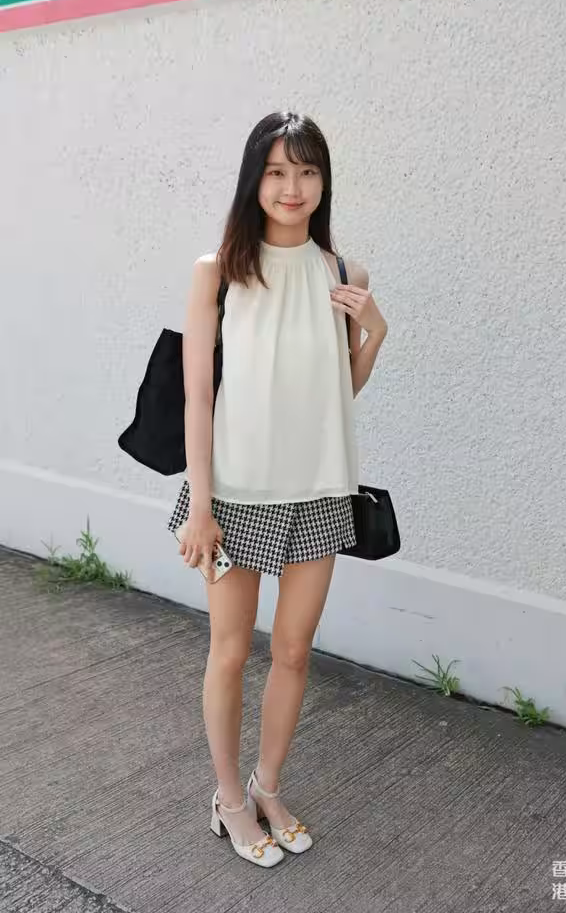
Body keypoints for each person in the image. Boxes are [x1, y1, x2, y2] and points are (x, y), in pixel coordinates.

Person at [167, 111, 388, 868]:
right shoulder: (219, 270)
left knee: (293, 651)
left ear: (324, 182)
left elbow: (337, 395)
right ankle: (229, 801)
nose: (293, 187)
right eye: (277, 171)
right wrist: (200, 507)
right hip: (233, 494)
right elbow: (197, 396)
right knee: (229, 652)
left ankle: (268, 786)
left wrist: (374, 334)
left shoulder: (344, 274)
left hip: (319, 490)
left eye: (307, 171)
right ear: (253, 180)